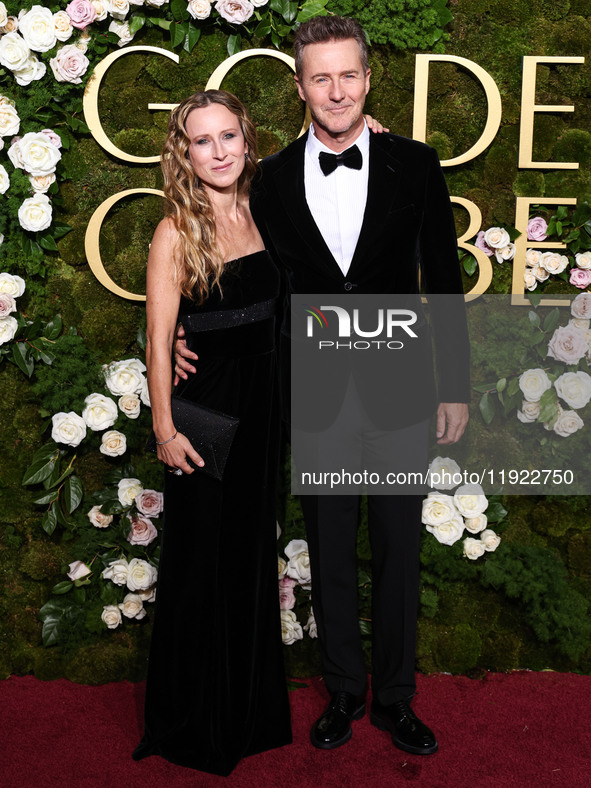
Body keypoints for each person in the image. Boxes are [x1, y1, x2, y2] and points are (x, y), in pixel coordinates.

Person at [176, 16, 470, 758]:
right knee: (330, 548)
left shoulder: (417, 164)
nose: (334, 90)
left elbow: (442, 282)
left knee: (398, 551)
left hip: (402, 386)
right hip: (309, 392)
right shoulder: (267, 178)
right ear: (299, 86)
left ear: (367, 79)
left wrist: (454, 388)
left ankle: (396, 699)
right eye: (319, 77)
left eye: (347, 75)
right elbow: (240, 276)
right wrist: (187, 334)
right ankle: (342, 690)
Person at [132, 89, 292, 777]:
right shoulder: (175, 230)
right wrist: (165, 428)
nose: (219, 151)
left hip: (264, 411)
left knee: (251, 557)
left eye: (229, 136)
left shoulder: (269, 210)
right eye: (203, 141)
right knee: (202, 563)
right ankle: (195, 720)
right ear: (184, 152)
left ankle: (249, 712)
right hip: (206, 419)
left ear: (246, 141)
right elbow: (158, 340)